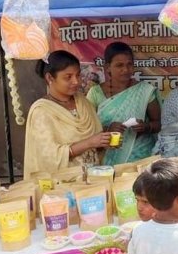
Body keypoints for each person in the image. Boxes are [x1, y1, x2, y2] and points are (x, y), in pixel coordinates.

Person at [23, 50, 112, 179]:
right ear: (50, 78)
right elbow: (49, 157)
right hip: (63, 184)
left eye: (78, 75)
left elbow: (96, 144)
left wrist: (104, 142)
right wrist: (89, 143)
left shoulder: (83, 102)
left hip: (93, 179)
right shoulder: (42, 111)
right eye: (68, 77)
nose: (76, 81)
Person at [87, 42, 161, 165]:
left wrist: (146, 127)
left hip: (142, 156)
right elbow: (87, 129)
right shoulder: (95, 93)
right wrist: (107, 129)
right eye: (119, 65)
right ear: (108, 67)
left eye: (129, 64)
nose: (126, 70)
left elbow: (159, 124)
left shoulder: (145, 90)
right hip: (108, 158)